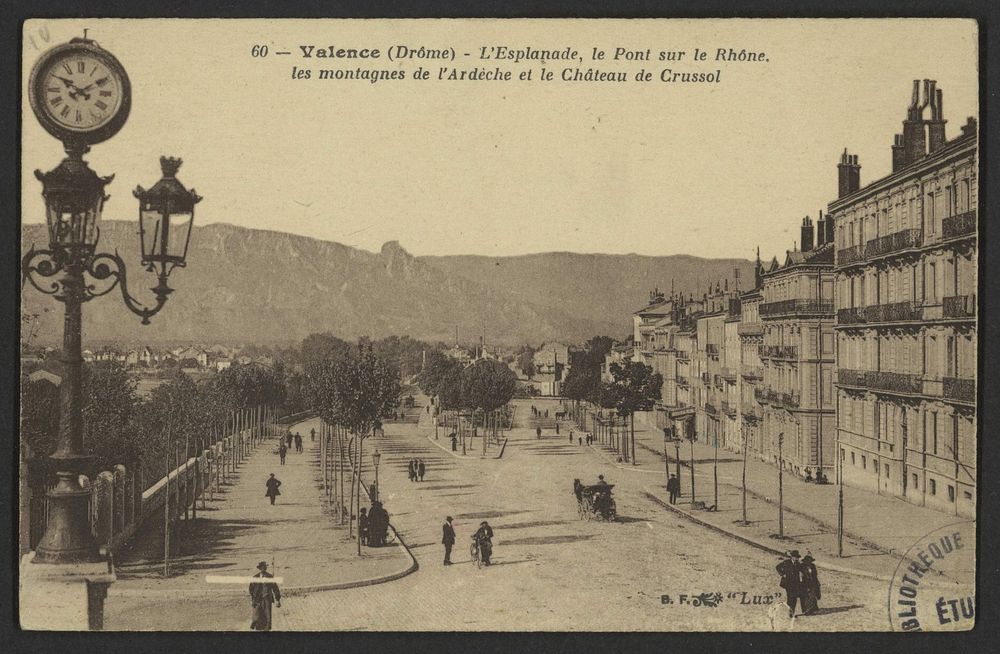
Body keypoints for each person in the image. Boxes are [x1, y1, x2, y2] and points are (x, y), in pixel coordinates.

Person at [249, 561, 281, 631]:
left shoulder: (270, 577)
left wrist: (277, 599)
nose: (263, 569)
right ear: (260, 569)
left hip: (267, 598)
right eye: (261, 568)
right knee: (257, 615)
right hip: (258, 599)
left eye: (264, 568)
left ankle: (266, 630)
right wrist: (253, 598)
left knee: (267, 615)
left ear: (266, 568)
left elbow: (275, 588)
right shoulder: (255, 577)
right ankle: (257, 627)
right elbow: (251, 588)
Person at [776, 550, 805, 617]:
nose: (796, 558)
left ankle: (792, 612)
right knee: (790, 597)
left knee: (794, 597)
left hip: (796, 583)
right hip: (788, 583)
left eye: (797, 557)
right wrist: (782, 574)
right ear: (792, 557)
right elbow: (778, 567)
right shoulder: (786, 562)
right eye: (795, 557)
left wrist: (802, 574)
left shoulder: (798, 564)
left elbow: (802, 570)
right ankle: (790, 612)